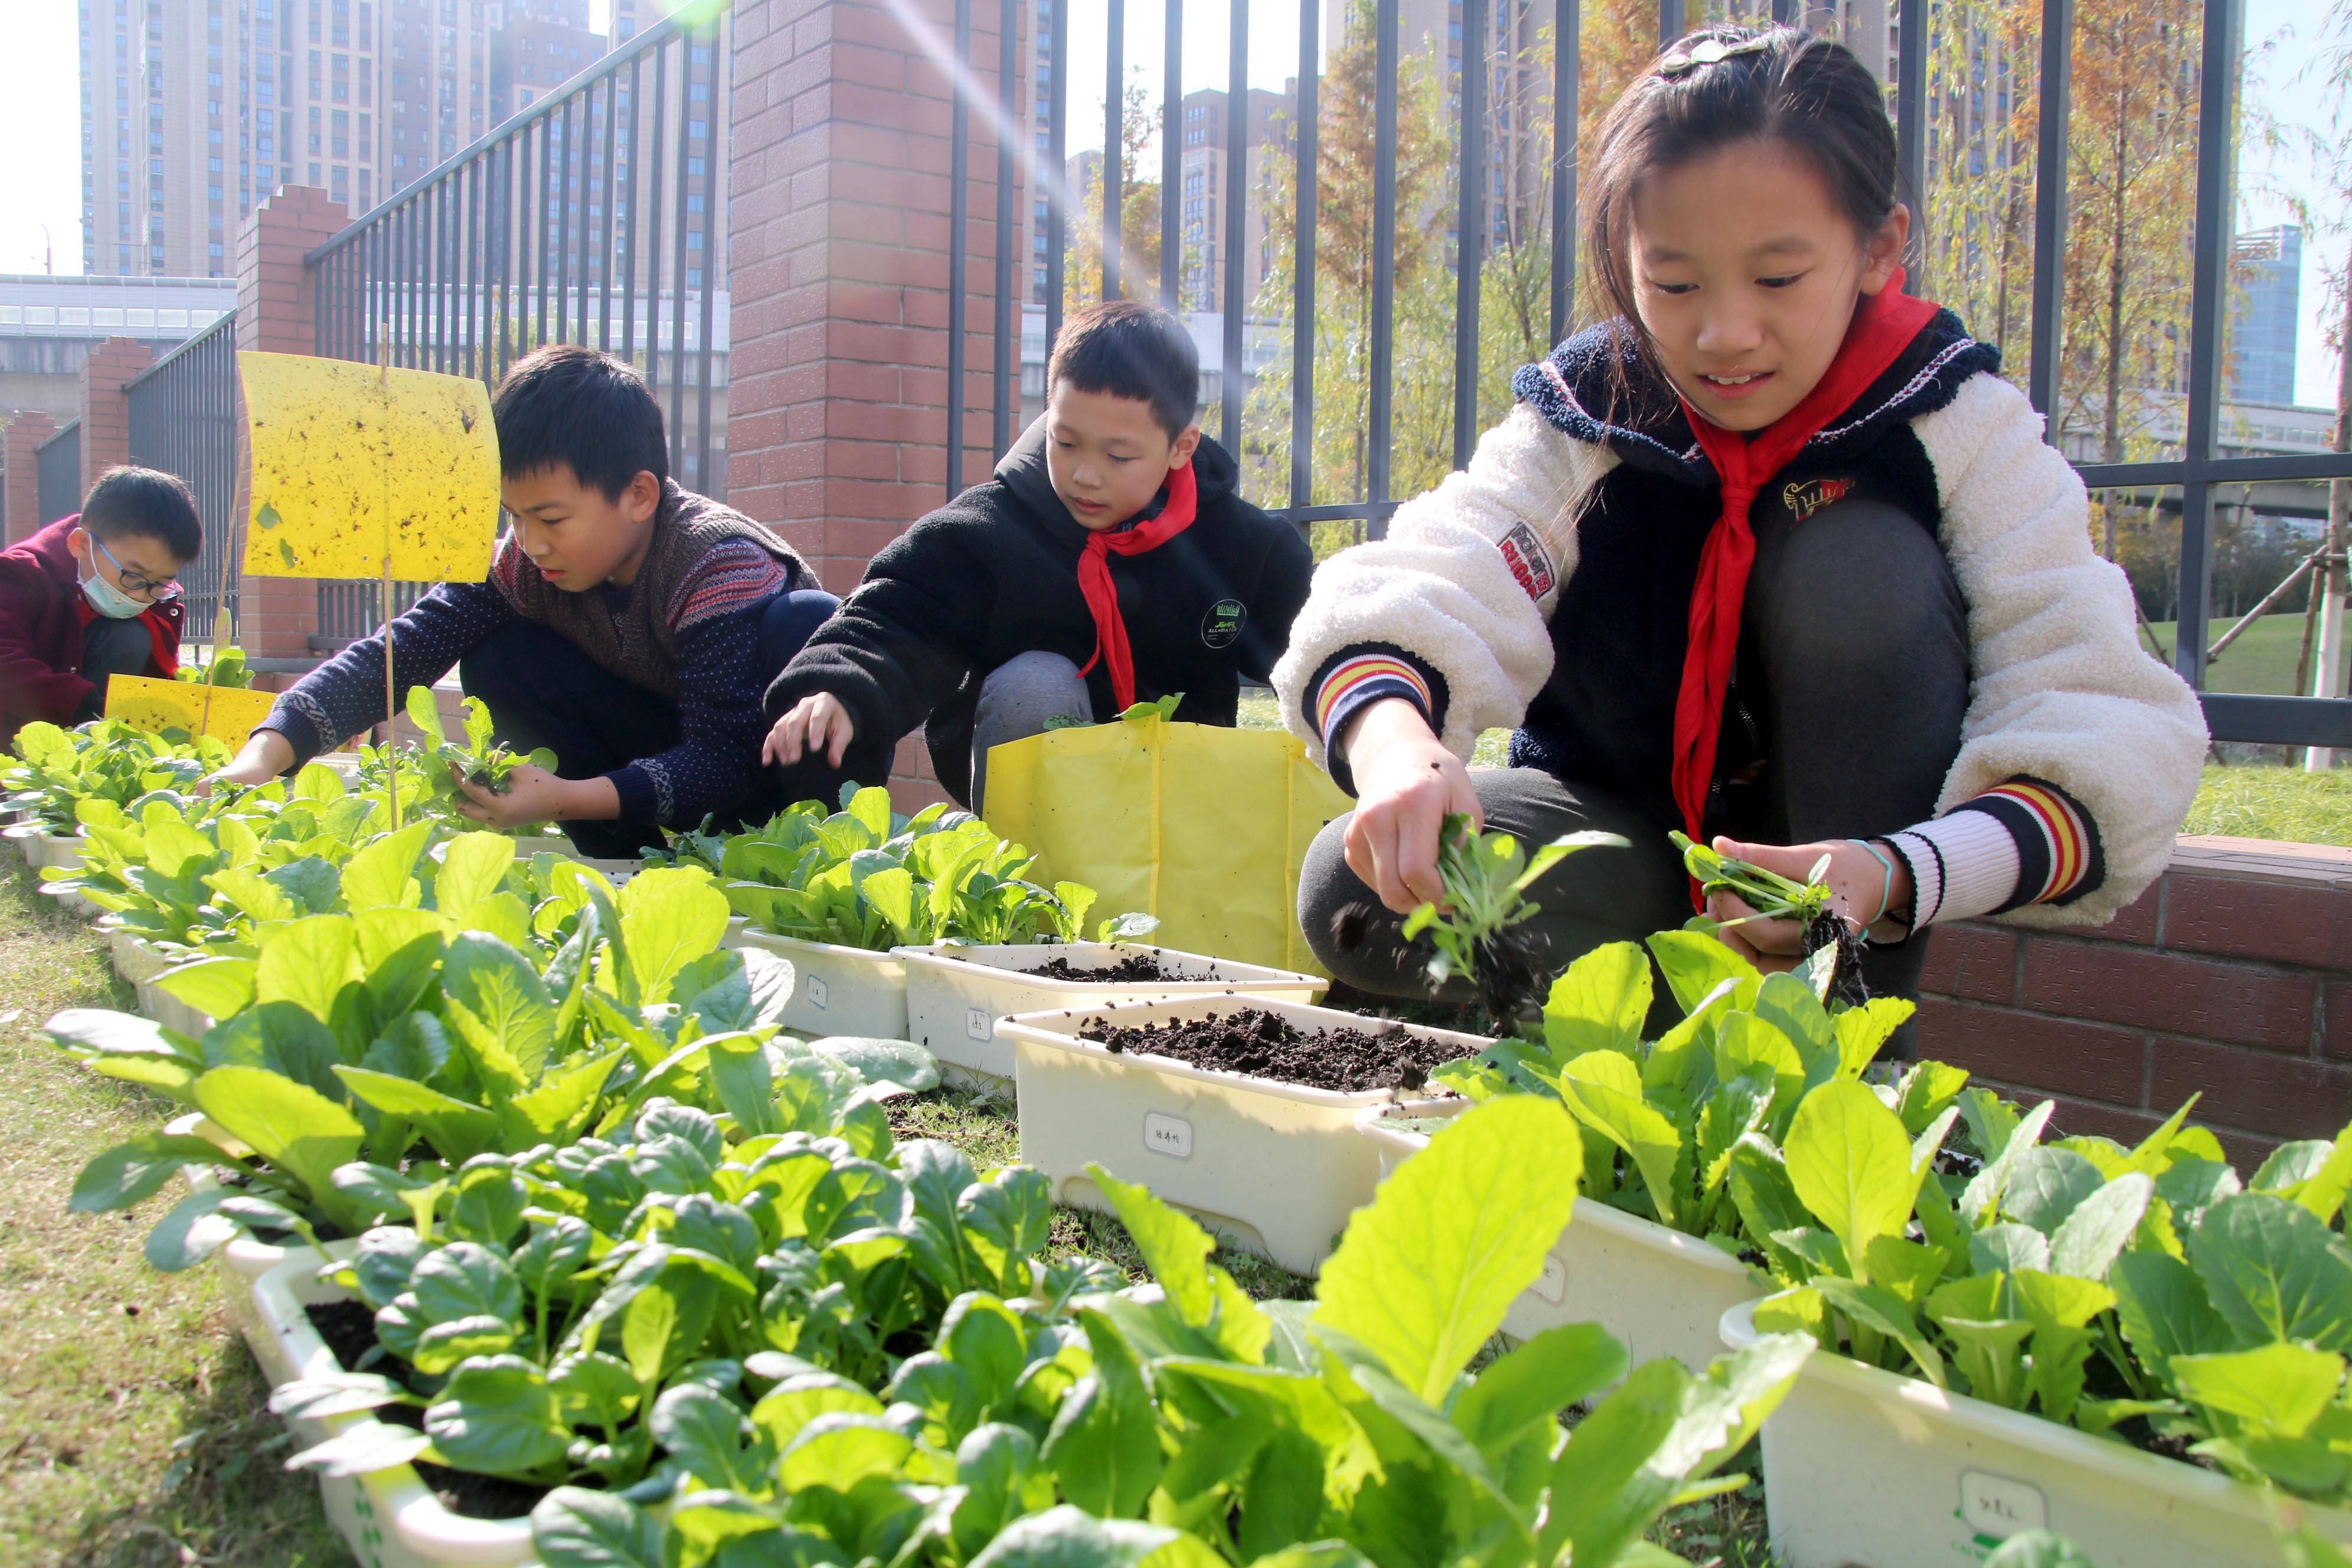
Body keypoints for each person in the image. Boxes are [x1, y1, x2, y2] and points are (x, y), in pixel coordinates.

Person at [1276, 25, 2207, 1024]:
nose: (1722, 333)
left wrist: (1895, 873)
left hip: (1842, 890)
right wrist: (1394, 750)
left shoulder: (1950, 422)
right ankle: (1623, 1074)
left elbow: (2101, 719)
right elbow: (1435, 572)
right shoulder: (1593, 409)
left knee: (1858, 567)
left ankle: (1832, 1064)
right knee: (1354, 891)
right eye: (1671, 284)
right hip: (1623, 847)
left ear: (1876, 249)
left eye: (1775, 279)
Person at [212, 344, 847, 855]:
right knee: (501, 652)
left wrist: (564, 797)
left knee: (804, 623)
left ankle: (813, 857)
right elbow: (400, 650)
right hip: (661, 753)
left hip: (757, 771)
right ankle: (626, 856)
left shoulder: (715, 563)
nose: (531, 542)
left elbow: (723, 759)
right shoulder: (523, 565)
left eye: (550, 518)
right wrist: (267, 751)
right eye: (515, 516)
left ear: (640, 495)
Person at [763, 299, 1315, 813]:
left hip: (1184, 791)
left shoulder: (1243, 546)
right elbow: (899, 612)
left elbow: (1320, 648)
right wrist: (840, 684)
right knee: (1035, 681)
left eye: (1118, 455)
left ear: (1181, 447)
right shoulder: (993, 528)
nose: (1084, 475)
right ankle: (1032, 889)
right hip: (1034, 789)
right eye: (1066, 441)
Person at [0, 466, 202, 748]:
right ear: (82, 544)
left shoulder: (157, 595)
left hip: (90, 731)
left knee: (131, 634)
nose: (143, 596)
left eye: (160, 582)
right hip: (14, 740)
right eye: (133, 576)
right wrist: (85, 704)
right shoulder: (20, 574)